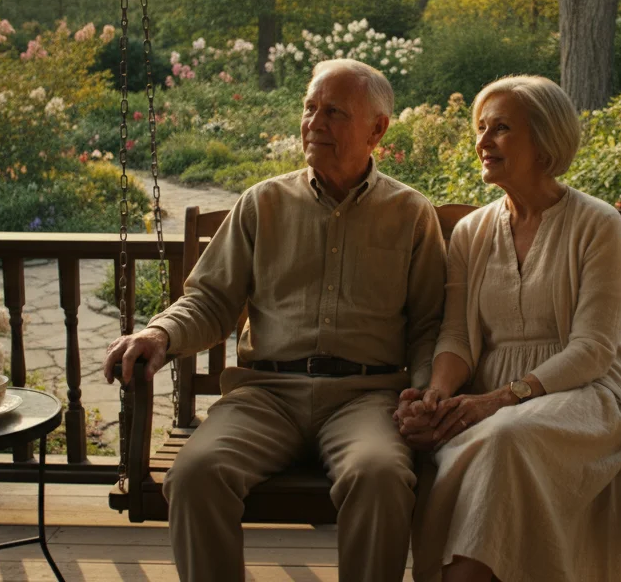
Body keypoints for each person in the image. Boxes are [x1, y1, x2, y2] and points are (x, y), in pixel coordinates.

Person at [103, 59, 446, 582]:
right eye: (310, 108)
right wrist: (160, 333)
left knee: (379, 476)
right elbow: (211, 300)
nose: (315, 123)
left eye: (334, 112)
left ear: (377, 129)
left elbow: (427, 326)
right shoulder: (262, 203)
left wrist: (422, 392)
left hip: (367, 398)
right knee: (195, 475)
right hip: (267, 395)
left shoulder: (410, 213)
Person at [396, 75, 621, 582]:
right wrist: (438, 396)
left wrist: (499, 400)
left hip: (588, 392)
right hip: (491, 395)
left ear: (545, 142)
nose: (483, 142)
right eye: (481, 127)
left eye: (502, 128)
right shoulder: (471, 232)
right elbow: (457, 338)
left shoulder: (597, 224)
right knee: (499, 438)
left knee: (507, 436)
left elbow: (594, 349)